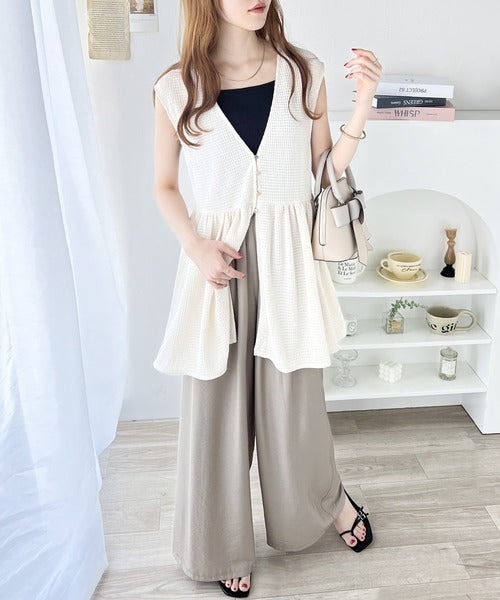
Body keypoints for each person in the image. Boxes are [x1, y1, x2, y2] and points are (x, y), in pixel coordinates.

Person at [152, 1, 382, 596]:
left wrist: (361, 105)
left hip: (288, 267)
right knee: (215, 412)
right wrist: (195, 247)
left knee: (295, 406)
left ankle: (328, 501)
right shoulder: (178, 87)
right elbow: (165, 185)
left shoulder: (305, 72)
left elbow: (324, 170)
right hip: (218, 270)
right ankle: (221, 542)